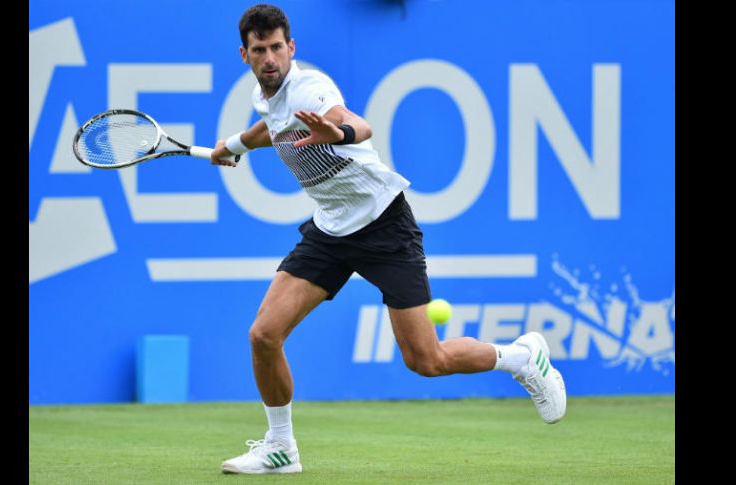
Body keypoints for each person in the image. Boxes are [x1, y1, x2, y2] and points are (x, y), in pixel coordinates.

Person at [213, 4, 567, 475]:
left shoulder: (311, 89)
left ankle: (523, 358)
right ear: (246, 55)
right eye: (260, 50)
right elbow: (269, 126)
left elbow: (358, 124)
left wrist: (336, 132)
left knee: (427, 360)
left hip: (384, 225)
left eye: (278, 47)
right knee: (263, 335)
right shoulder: (269, 97)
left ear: (291, 47)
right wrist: (233, 146)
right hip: (331, 230)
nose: (270, 58)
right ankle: (281, 447)